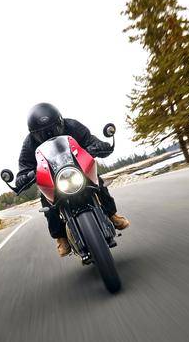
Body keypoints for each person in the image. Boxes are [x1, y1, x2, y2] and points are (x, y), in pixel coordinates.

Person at [15, 103, 130, 257]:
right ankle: (61, 238)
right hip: (52, 178)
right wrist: (23, 177)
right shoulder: (29, 143)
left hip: (77, 169)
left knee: (98, 183)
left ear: (60, 122)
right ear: (34, 134)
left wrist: (98, 146)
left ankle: (112, 215)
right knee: (47, 202)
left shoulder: (73, 126)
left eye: (53, 128)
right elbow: (24, 166)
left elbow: (90, 140)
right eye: (42, 133)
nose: (49, 134)